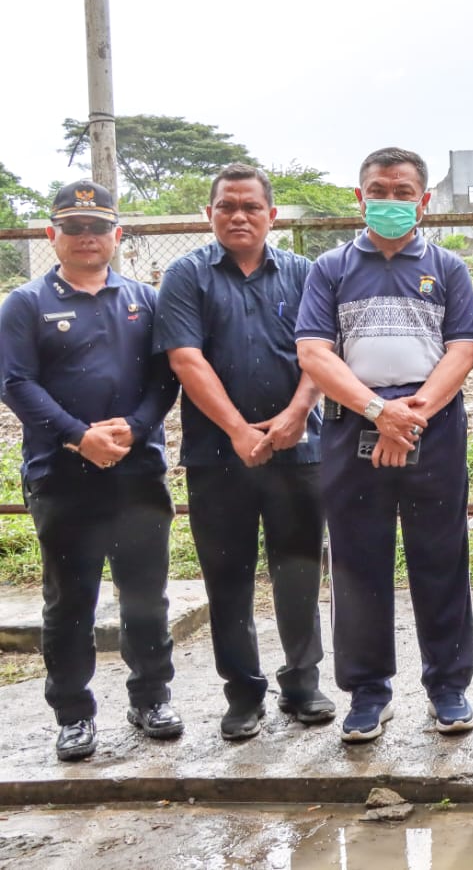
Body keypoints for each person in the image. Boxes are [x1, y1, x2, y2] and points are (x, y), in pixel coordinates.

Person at [295, 147, 473, 742]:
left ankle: (448, 687)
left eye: (405, 192)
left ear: (423, 201)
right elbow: (315, 352)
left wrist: (413, 415)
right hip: (355, 421)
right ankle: (368, 692)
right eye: (380, 190)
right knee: (357, 559)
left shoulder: (448, 268)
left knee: (441, 557)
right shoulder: (330, 268)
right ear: (360, 197)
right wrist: (378, 411)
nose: (392, 201)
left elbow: (462, 350)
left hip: (433, 422)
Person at [0, 180, 181, 761]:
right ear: (52, 235)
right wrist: (80, 437)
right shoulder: (26, 303)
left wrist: (137, 428)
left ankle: (151, 698)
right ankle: (73, 714)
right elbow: (16, 383)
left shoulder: (143, 299)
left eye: (98, 227)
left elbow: (165, 378)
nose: (86, 237)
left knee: (146, 594)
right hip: (61, 473)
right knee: (69, 599)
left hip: (137, 470)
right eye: (73, 228)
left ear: (117, 236)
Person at [154, 165, 333, 740]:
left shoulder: (305, 273)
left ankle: (302, 683)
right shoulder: (185, 276)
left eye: (251, 207)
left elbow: (321, 353)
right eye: (226, 206)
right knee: (227, 577)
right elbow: (186, 359)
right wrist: (236, 430)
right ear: (208, 214)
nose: (238, 216)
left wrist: (296, 414)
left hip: (298, 451)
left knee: (300, 568)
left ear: (271, 216)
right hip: (217, 456)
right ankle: (242, 693)